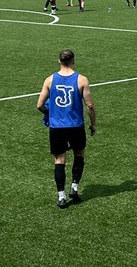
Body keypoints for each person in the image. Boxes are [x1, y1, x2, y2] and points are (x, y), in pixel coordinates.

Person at [37, 49, 96, 209]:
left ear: (59, 61)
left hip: (57, 127)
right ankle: (74, 187)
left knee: (59, 160)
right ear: (73, 61)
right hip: (76, 126)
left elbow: (39, 105)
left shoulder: (49, 80)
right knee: (79, 154)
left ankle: (61, 196)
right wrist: (93, 124)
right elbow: (90, 106)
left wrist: (49, 114)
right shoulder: (82, 80)